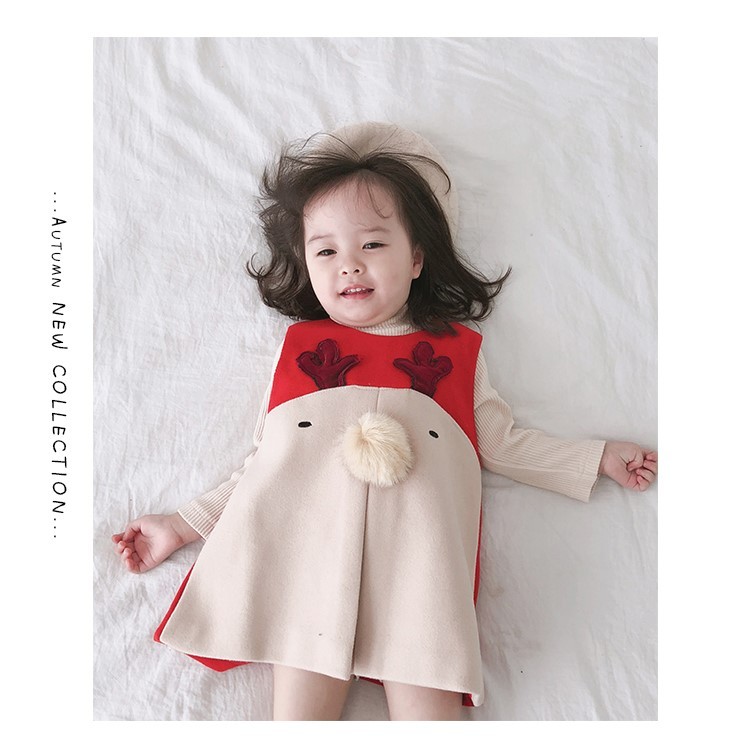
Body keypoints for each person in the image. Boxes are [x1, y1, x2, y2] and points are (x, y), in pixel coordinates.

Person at [112, 122, 657, 721]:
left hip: (418, 574)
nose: (348, 266)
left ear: (417, 258)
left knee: (429, 705)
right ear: (305, 264)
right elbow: (267, 467)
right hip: (310, 566)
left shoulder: (455, 352)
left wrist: (596, 458)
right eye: (326, 251)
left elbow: (501, 444)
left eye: (371, 245)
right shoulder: (301, 350)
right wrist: (181, 527)